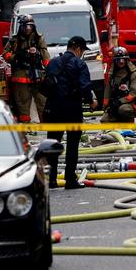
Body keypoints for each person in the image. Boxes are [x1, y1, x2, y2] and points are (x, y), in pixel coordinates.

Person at [44, 36, 96, 189]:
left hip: (53, 109)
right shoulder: (79, 64)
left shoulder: (53, 62)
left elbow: (45, 83)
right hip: (72, 109)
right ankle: (70, 179)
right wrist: (91, 102)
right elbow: (85, 87)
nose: (82, 54)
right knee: (72, 145)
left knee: (52, 145)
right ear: (78, 49)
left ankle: (51, 179)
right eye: (82, 51)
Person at [4, 14, 49, 124]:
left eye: (30, 26)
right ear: (21, 27)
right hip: (21, 74)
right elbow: (5, 55)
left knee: (42, 100)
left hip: (37, 74)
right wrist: (18, 55)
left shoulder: (39, 38)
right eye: (25, 26)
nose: (27, 28)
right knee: (22, 102)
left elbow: (45, 55)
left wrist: (49, 70)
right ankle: (26, 127)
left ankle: (46, 126)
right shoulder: (14, 40)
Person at [102, 47, 136, 123]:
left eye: (123, 59)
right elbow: (107, 91)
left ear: (127, 60)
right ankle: (118, 120)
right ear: (114, 60)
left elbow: (133, 94)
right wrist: (106, 106)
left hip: (130, 104)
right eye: (118, 59)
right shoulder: (112, 75)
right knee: (104, 121)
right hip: (115, 104)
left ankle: (129, 123)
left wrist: (119, 102)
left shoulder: (133, 74)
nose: (121, 62)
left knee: (123, 110)